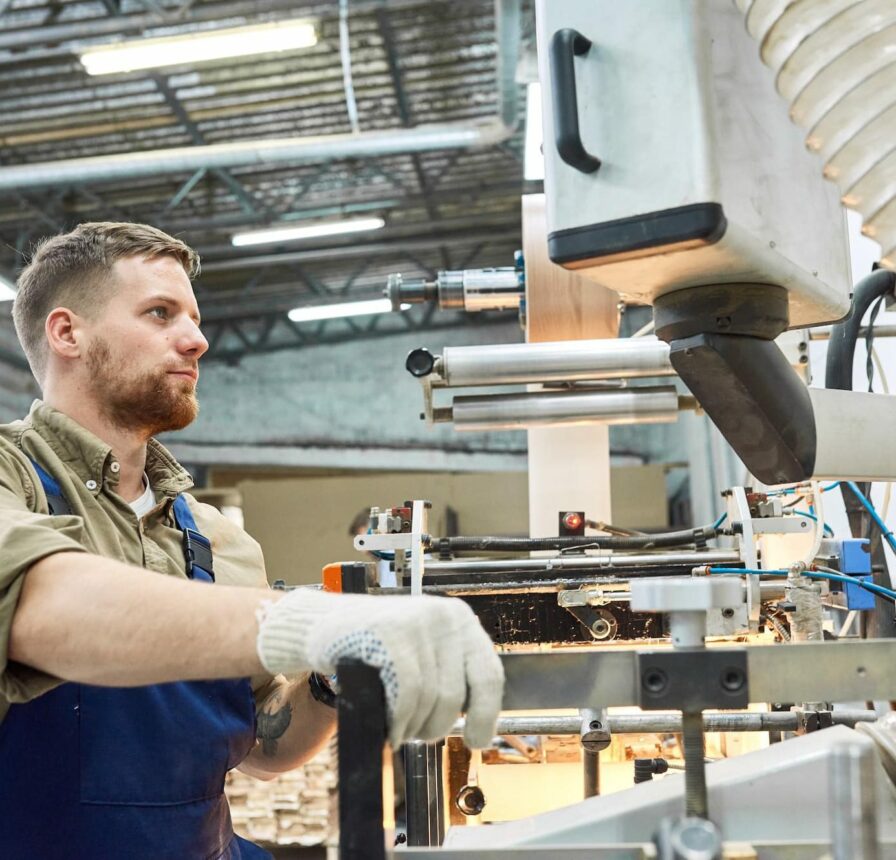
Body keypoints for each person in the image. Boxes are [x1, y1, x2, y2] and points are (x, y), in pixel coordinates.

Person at [0, 222, 504, 859]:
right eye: (160, 313)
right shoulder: (9, 478)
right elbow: (38, 606)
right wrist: (316, 619)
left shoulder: (213, 538)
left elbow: (265, 746)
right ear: (67, 332)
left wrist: (329, 682)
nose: (198, 339)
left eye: (194, 316)